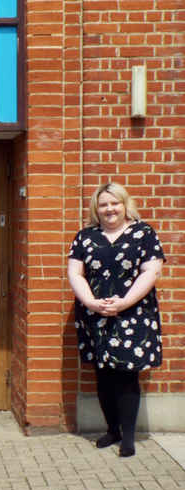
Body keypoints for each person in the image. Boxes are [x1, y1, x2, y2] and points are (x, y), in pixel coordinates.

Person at [68, 182, 165, 458]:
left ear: (125, 205)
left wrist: (124, 302)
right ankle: (112, 430)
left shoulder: (143, 233)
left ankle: (129, 437)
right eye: (103, 205)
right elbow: (76, 273)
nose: (109, 209)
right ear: (95, 209)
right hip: (95, 315)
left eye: (115, 203)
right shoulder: (85, 237)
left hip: (133, 314)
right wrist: (90, 302)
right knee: (103, 375)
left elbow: (151, 272)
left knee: (126, 375)